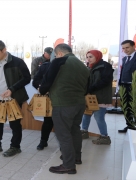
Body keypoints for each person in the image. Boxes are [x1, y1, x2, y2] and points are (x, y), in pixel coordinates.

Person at [39, 43, 89, 174]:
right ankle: (76, 158)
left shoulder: (59, 61)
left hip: (63, 103)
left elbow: (47, 81)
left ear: (59, 53)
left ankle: (68, 165)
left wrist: (42, 89)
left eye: (55, 55)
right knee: (75, 130)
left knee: (63, 134)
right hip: (79, 102)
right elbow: (88, 86)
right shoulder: (82, 64)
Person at [81, 50, 113, 145]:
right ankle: (84, 132)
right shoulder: (89, 67)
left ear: (97, 56)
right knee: (86, 114)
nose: (88, 59)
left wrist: (90, 88)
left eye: (91, 57)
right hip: (89, 96)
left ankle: (105, 137)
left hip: (100, 96)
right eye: (87, 57)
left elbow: (105, 81)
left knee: (99, 117)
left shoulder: (105, 66)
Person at [118, 40, 136, 133]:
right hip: (124, 87)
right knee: (126, 107)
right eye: (123, 48)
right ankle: (130, 126)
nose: (125, 50)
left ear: (133, 46)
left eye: (127, 47)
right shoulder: (125, 59)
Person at [32, 55, 53, 150]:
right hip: (48, 99)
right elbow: (35, 80)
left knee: (62, 123)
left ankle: (63, 145)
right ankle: (43, 141)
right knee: (47, 122)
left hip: (62, 100)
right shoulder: (45, 66)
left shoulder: (66, 67)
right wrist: (40, 88)